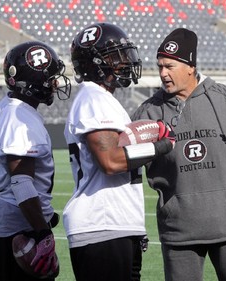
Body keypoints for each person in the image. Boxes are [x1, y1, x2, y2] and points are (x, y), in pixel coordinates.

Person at [131, 28, 226, 281]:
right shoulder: (148, 113)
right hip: (179, 229)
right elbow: (130, 165)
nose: (163, 73)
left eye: (169, 66)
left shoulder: (222, 96)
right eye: (160, 66)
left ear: (190, 66)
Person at [63, 22, 175, 281]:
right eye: (116, 56)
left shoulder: (103, 98)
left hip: (114, 225)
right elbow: (110, 161)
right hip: (101, 225)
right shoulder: (94, 99)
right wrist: (160, 146)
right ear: (95, 62)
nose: (125, 62)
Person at [0, 41, 71, 281]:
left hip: (5, 222)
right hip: (20, 229)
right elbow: (21, 183)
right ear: (33, 83)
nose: (55, 83)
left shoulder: (3, 108)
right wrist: (41, 231)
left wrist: (1, 184)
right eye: (50, 78)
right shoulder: (21, 119)